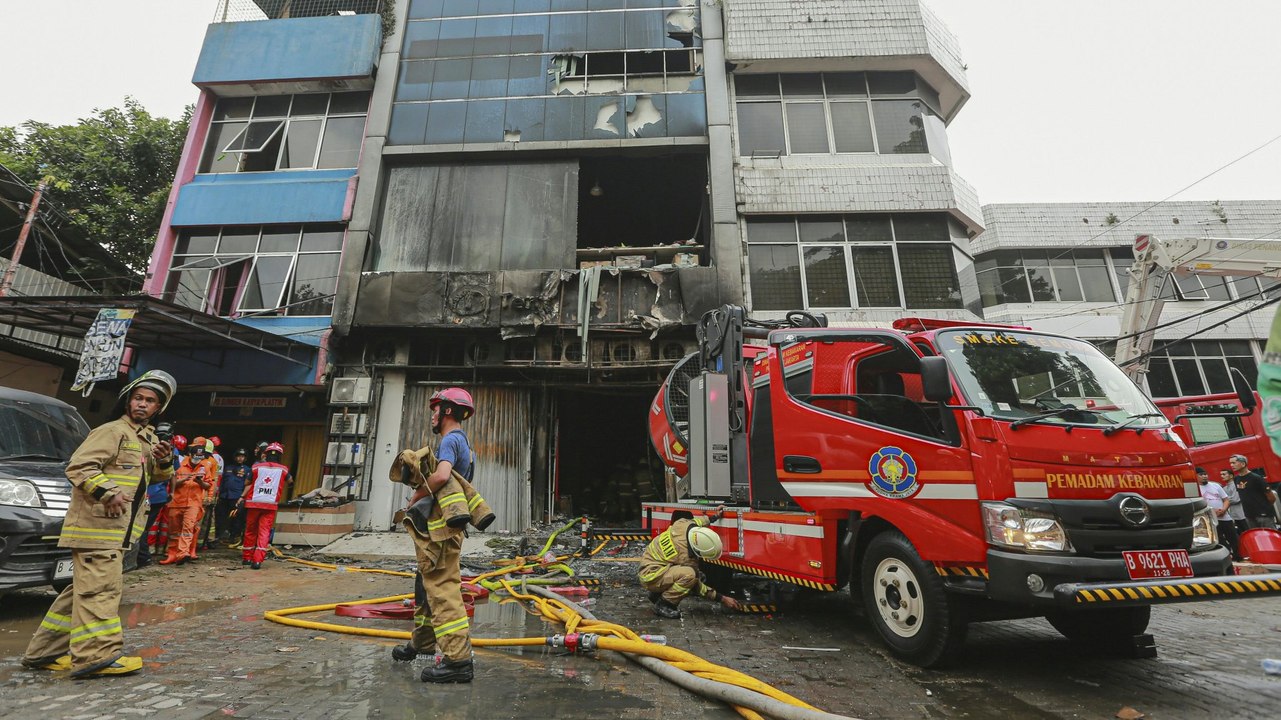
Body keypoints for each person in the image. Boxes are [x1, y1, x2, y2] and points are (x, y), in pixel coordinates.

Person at [20, 370, 177, 677]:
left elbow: (156, 479)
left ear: (159, 408)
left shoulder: (146, 439)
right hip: (98, 531)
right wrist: (108, 492)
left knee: (81, 593)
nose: (142, 405)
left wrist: (163, 459)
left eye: (150, 401)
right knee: (101, 593)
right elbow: (79, 467)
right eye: (138, 398)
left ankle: (43, 653)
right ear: (128, 400)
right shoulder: (113, 431)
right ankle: (96, 657)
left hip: (116, 533)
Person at [391, 388, 481, 684]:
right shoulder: (462, 442)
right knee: (426, 587)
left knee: (442, 589)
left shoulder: (451, 440)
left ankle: (457, 661)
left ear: (447, 412)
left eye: (436, 409)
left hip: (443, 530)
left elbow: (442, 476)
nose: (433, 414)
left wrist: (414, 497)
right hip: (442, 528)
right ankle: (422, 643)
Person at [639, 505, 741, 619]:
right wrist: (722, 598)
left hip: (651, 568)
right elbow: (696, 587)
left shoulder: (682, 524)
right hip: (650, 576)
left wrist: (714, 517)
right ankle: (665, 604)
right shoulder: (685, 556)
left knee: (695, 574)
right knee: (691, 575)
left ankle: (656, 594)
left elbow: (697, 521)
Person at [237, 442, 292, 570]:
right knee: (264, 532)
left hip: (253, 504)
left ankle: (247, 558)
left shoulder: (256, 467)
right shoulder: (284, 469)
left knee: (250, 531)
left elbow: (247, 482)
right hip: (270, 506)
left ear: (265, 454)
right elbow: (290, 482)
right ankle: (257, 561)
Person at [161, 437, 216, 565]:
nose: (198, 458)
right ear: (190, 455)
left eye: (200, 456)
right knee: (173, 531)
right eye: (196, 456)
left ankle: (183, 553)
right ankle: (172, 554)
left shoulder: (204, 467)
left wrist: (199, 482)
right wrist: (184, 480)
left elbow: (208, 485)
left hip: (194, 503)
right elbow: (172, 482)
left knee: (188, 529)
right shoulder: (179, 465)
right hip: (176, 502)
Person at [1230, 454, 1279, 529]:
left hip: (1264, 515)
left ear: (1243, 464)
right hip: (1249, 516)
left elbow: (1272, 497)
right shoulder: (1236, 479)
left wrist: (1263, 509)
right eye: (1230, 463)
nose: (1231, 465)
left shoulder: (1256, 478)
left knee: (1270, 537)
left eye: (1234, 463)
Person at [1197, 467, 1236, 556]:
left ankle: (1238, 556)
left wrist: (1223, 509)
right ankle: (1227, 555)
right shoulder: (1196, 488)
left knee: (1233, 537)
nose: (1204, 476)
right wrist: (1213, 511)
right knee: (1219, 540)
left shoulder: (1215, 485)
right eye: (1201, 474)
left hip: (1225, 517)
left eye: (1205, 474)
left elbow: (1226, 499)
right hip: (1211, 519)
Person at [217, 448, 251, 545]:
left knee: (236, 518)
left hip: (237, 497)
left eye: (242, 456)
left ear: (245, 458)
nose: (240, 458)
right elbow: (222, 481)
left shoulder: (247, 470)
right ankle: (221, 537)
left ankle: (234, 537)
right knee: (222, 517)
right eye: (238, 456)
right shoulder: (228, 468)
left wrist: (242, 496)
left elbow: (248, 484)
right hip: (224, 496)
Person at [197, 438, 221, 551]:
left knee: (204, 521)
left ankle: (199, 543)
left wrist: (211, 496)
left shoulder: (212, 462)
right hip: (195, 494)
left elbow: (213, 481)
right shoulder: (195, 459)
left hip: (205, 495)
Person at [1218, 468, 1247, 559]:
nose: (1222, 476)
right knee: (1238, 535)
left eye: (1224, 474)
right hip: (1233, 516)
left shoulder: (1235, 485)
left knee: (1245, 532)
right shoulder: (1224, 488)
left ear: (1231, 475)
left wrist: (1225, 500)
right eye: (1221, 474)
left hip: (1241, 514)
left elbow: (1236, 499)